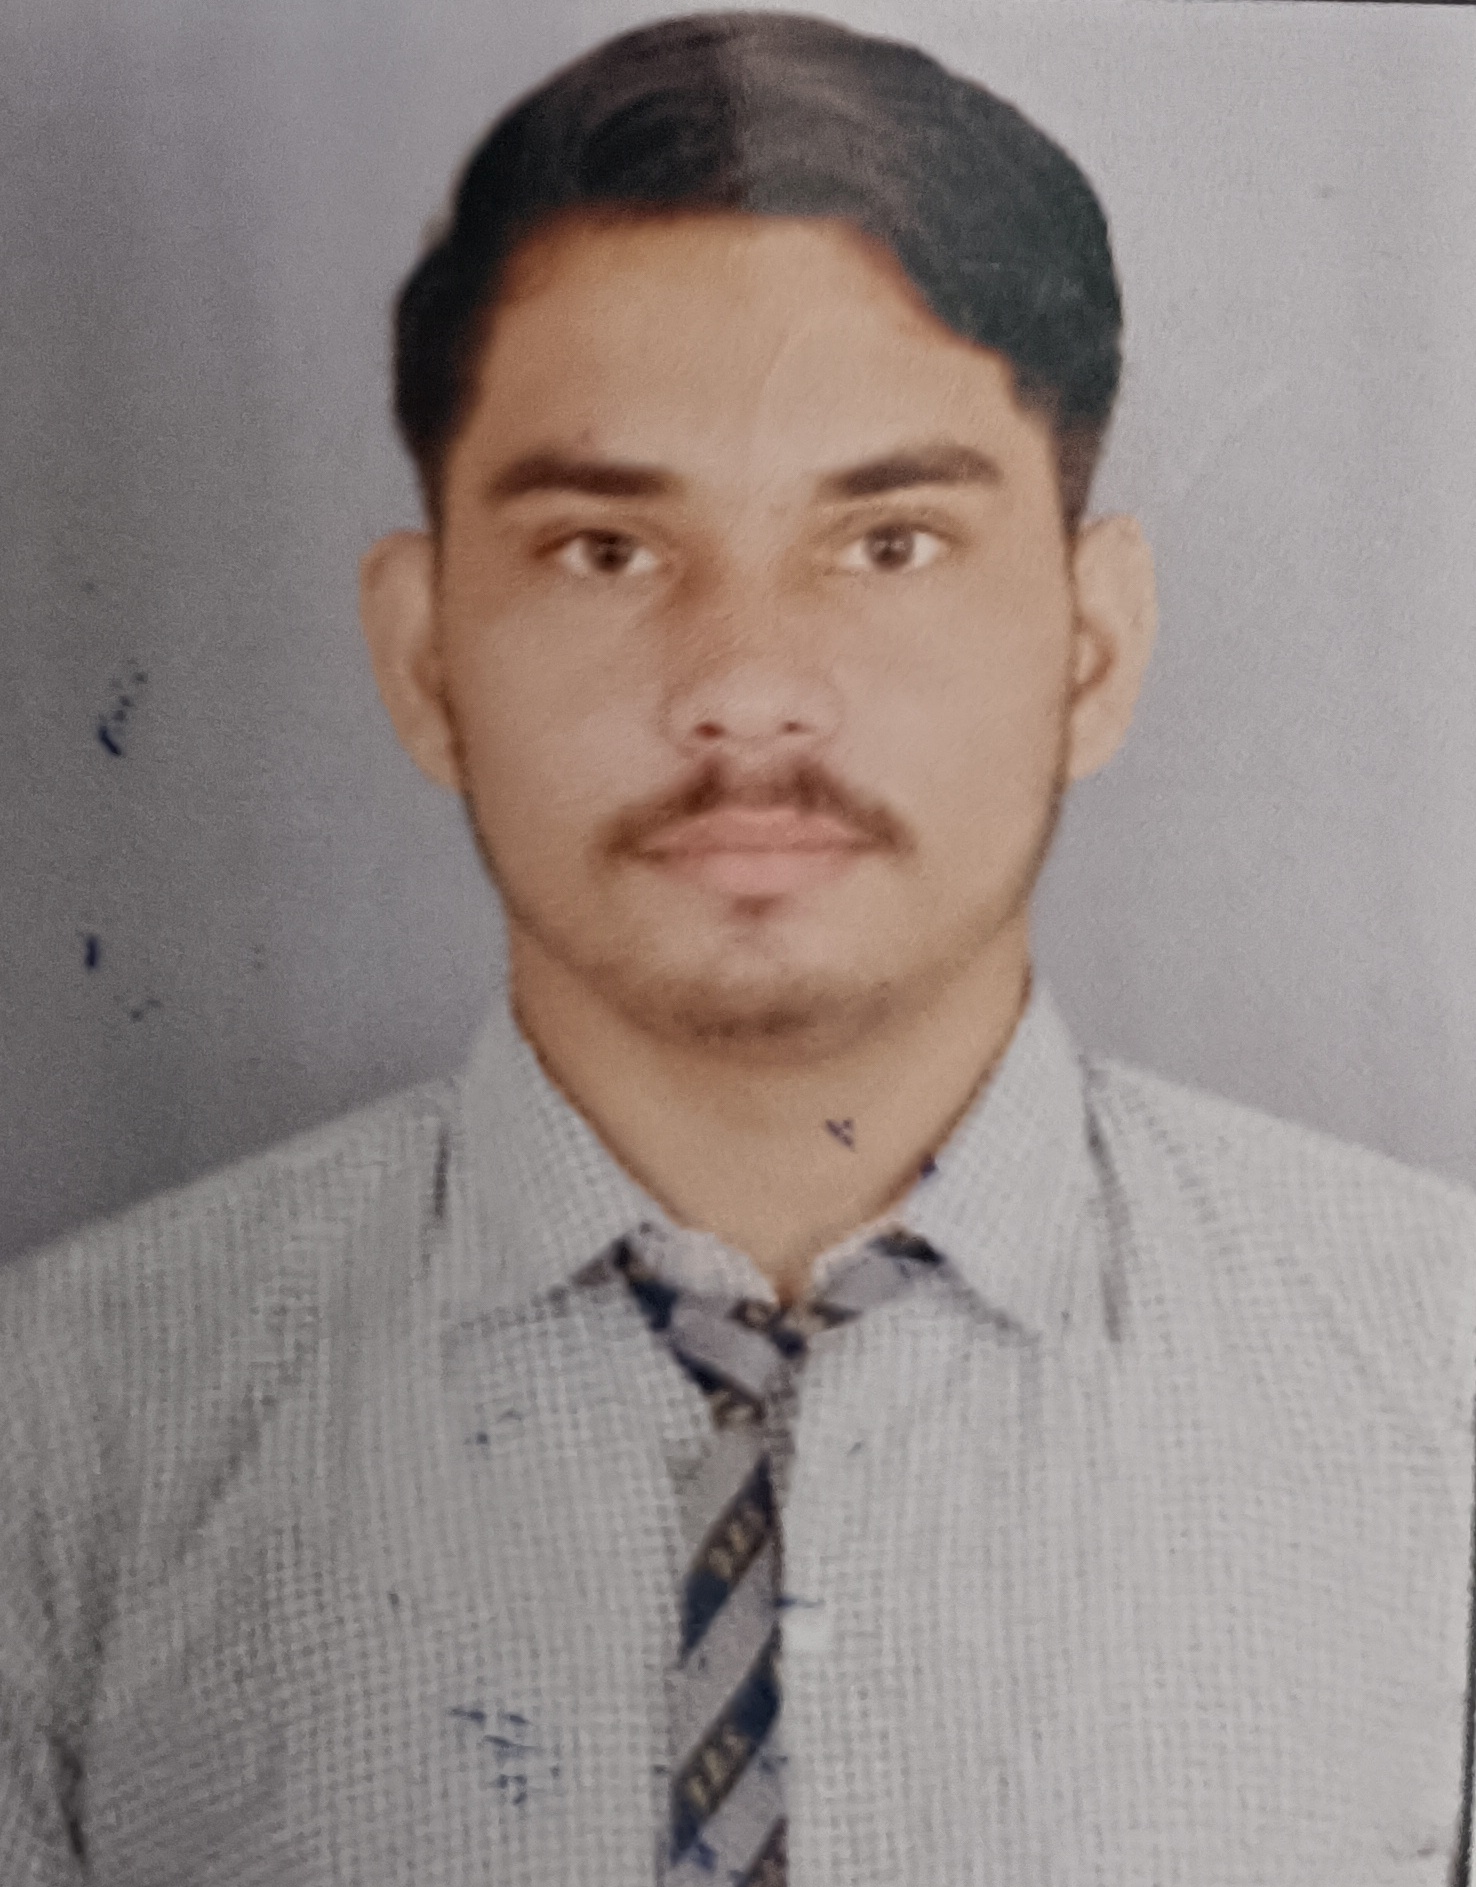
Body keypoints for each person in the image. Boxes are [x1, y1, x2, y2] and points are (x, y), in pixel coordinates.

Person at [2, 11, 1473, 1884]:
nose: (750, 688)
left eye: (890, 543)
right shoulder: (58, 1437)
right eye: (608, 551)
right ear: (425, 655)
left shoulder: (1442, 1388)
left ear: (1092, 649)